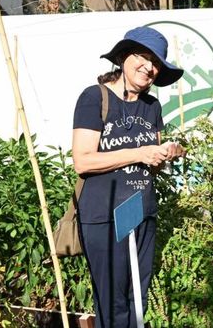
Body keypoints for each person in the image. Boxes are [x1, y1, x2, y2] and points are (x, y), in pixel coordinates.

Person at [71, 26, 185, 328]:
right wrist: (140, 153)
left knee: (138, 299)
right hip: (104, 214)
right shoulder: (94, 98)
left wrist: (166, 153)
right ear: (123, 57)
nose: (149, 67)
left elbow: (152, 161)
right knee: (113, 301)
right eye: (143, 57)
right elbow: (82, 161)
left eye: (156, 62)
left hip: (140, 211)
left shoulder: (152, 106)